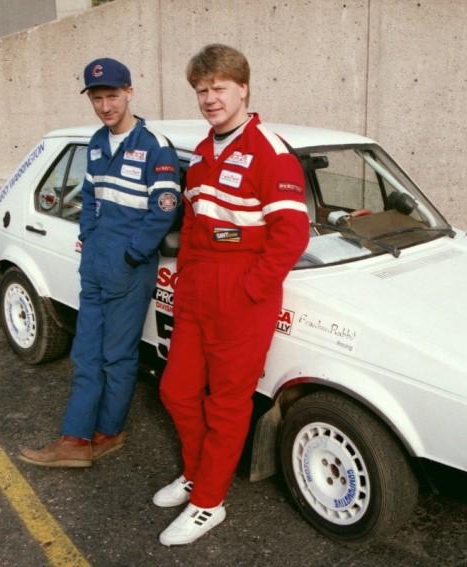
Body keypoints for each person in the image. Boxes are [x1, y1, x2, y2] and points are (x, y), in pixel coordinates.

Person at [155, 44, 309, 545]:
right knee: (176, 391)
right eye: (201, 90)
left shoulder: (270, 150)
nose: (209, 98)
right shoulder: (202, 152)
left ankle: (209, 503)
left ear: (243, 87)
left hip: (242, 298)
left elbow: (291, 234)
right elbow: (197, 229)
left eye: (219, 87)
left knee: (226, 405)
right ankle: (199, 472)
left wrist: (249, 289)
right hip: (199, 294)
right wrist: (185, 285)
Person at [20, 57, 180, 467]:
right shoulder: (95, 143)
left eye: (112, 96)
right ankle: (75, 440)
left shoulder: (154, 147)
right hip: (94, 262)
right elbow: (89, 198)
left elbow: (163, 209)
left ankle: (107, 433)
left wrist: (130, 255)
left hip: (129, 267)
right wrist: (88, 237)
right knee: (86, 352)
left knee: (118, 355)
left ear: (129, 93)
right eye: (97, 98)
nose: (106, 106)